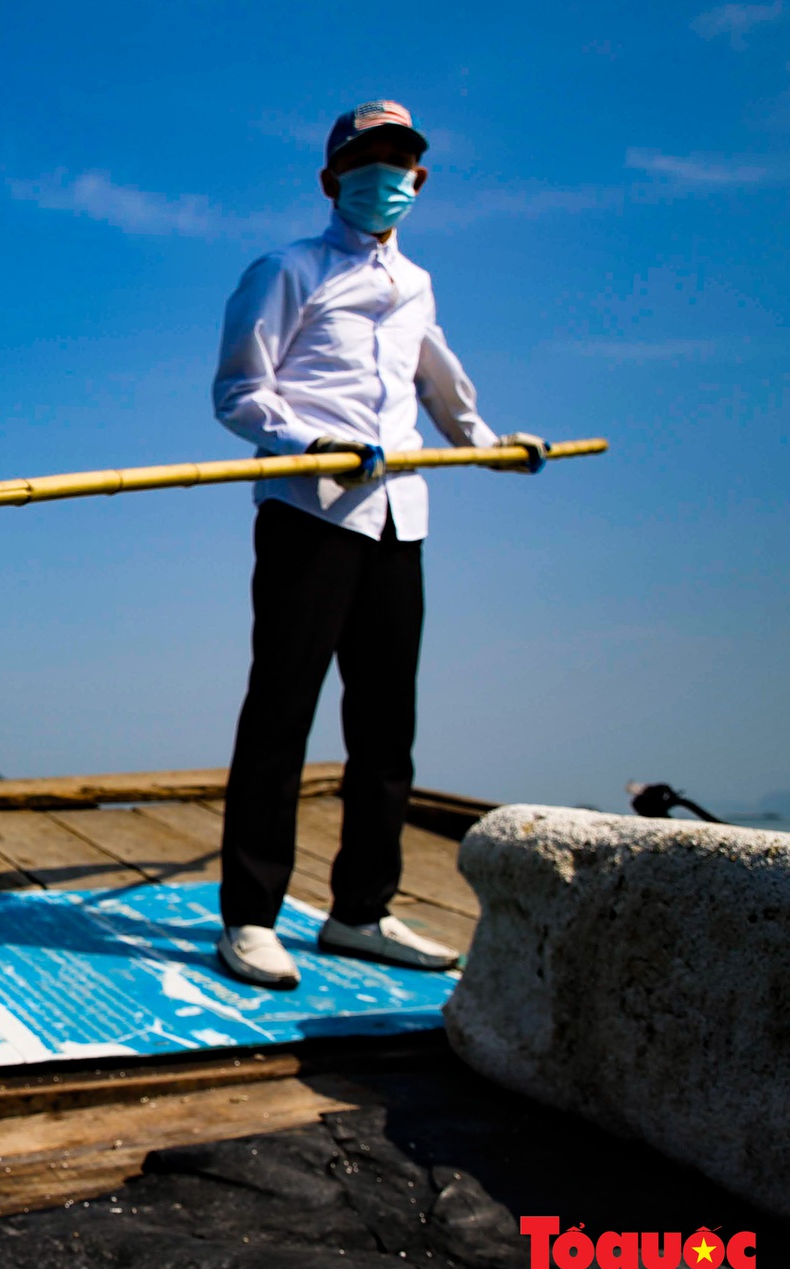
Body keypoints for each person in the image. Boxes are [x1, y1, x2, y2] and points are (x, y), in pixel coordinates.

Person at [210, 99, 546, 989]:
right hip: (311, 512)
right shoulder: (287, 269)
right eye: (366, 164)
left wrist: (491, 443)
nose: (384, 180)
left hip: (400, 518)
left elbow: (437, 378)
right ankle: (249, 917)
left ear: (419, 182)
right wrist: (304, 444)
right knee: (280, 714)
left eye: (399, 165)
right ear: (331, 181)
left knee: (386, 726)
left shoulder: (418, 286)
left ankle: (362, 911)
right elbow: (241, 392)